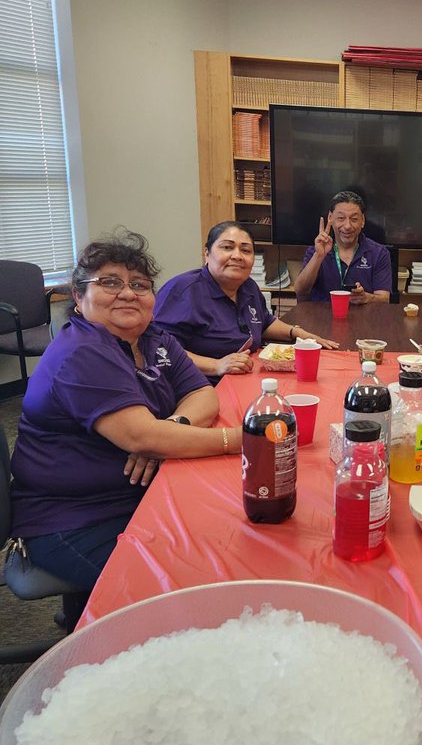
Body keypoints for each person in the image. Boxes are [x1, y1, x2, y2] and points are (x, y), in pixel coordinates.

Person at [9, 230, 245, 627]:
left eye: (139, 284)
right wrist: (241, 440)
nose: (128, 293)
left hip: (137, 498)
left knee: (228, 532)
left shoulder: (153, 338)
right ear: (78, 297)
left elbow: (203, 395)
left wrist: (171, 429)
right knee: (196, 592)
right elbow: (140, 437)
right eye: (109, 282)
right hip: (74, 520)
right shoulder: (82, 351)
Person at [154, 222, 337, 380]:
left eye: (246, 250)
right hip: (203, 384)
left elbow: (264, 322)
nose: (237, 256)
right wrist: (216, 365)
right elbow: (159, 348)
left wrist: (299, 334)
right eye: (227, 247)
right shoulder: (182, 291)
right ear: (207, 253)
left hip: (246, 375)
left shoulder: (248, 286)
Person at [294, 191, 392, 304]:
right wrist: (319, 256)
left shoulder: (379, 253)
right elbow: (300, 291)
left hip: (364, 319)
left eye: (354, 219)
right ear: (330, 218)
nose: (347, 226)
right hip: (322, 319)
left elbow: (384, 299)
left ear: (363, 221)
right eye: (341, 218)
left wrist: (367, 298)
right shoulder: (315, 251)